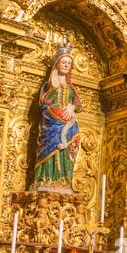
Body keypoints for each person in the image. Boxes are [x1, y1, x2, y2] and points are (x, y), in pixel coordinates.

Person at [34, 47, 81, 192]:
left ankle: (63, 180)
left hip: (68, 125)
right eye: (64, 62)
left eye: (69, 63)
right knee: (51, 151)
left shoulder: (70, 87)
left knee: (65, 151)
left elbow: (78, 103)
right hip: (52, 125)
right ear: (57, 65)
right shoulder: (50, 85)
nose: (67, 65)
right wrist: (58, 113)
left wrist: (72, 108)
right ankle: (46, 179)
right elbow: (43, 104)